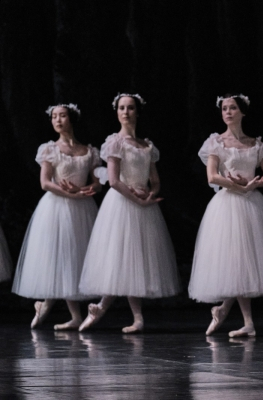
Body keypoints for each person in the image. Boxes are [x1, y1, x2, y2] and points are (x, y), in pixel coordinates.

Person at [78, 93, 180, 333]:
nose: (126, 112)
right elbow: (113, 180)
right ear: (117, 112)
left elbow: (155, 180)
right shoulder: (115, 142)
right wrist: (137, 198)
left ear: (137, 111)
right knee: (120, 258)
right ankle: (105, 308)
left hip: (142, 204)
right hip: (122, 204)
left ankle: (133, 317)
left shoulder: (147, 145)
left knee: (136, 260)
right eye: (122, 108)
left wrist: (149, 193)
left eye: (130, 108)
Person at [188, 93, 263, 337]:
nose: (227, 112)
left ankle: (233, 316)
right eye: (224, 109)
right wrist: (238, 185)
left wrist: (251, 183)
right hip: (228, 204)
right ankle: (244, 320)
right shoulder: (216, 142)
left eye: (232, 108)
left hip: (251, 205)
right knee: (233, 261)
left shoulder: (256, 144)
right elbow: (212, 176)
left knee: (244, 262)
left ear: (242, 112)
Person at [12, 104, 101, 330]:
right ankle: (66, 313)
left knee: (76, 257)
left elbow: (98, 182)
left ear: (71, 119)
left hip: (82, 209)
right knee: (61, 256)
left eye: (62, 116)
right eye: (54, 117)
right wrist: (70, 193)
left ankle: (63, 312)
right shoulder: (49, 149)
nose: (58, 120)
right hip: (57, 208)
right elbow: (45, 182)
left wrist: (88, 189)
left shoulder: (89, 151)